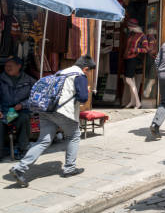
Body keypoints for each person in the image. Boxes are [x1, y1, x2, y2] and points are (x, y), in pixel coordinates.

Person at [9, 55, 96, 188]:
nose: (88, 73)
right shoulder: (79, 76)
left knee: (43, 141)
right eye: (88, 70)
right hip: (62, 111)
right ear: (85, 68)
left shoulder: (60, 72)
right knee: (74, 136)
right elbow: (83, 98)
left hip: (44, 110)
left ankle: (20, 168)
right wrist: (87, 91)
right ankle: (69, 168)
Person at [0, 56, 35, 159]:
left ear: (19, 66)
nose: (8, 67)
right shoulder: (1, 79)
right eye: (6, 65)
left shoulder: (29, 80)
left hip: (20, 110)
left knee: (24, 119)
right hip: (5, 110)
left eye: (11, 65)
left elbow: (35, 98)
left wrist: (23, 105)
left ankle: (22, 149)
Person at [124, 18, 148, 109]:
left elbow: (146, 49)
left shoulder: (142, 36)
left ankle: (138, 102)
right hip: (128, 59)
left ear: (133, 27)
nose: (128, 27)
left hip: (134, 59)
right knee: (131, 80)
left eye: (129, 26)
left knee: (128, 80)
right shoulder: (130, 35)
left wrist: (136, 50)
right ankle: (132, 101)